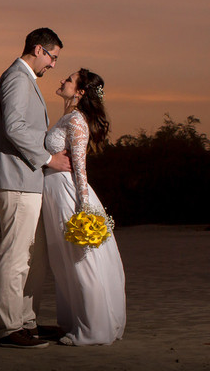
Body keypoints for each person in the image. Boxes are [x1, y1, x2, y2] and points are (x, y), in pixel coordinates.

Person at [0, 28, 71, 349]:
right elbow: (14, 127)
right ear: (38, 49)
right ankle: (10, 328)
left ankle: (27, 322)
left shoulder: (24, 78)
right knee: (16, 255)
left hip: (28, 181)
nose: (54, 65)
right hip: (15, 180)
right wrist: (48, 159)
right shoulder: (17, 77)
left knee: (34, 255)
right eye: (53, 57)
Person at [41, 68, 126, 345]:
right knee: (62, 261)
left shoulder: (77, 120)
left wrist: (84, 208)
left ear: (79, 92)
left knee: (80, 260)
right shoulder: (67, 116)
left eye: (68, 79)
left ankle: (92, 329)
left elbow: (80, 166)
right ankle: (72, 321)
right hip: (53, 192)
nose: (62, 80)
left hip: (68, 193)